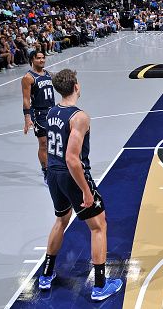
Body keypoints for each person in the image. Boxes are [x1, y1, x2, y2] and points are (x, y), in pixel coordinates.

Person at [39, 69, 122, 300]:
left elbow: (50, 146)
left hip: (54, 174)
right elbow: (72, 159)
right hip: (71, 175)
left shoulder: (52, 111)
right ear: (76, 86)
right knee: (98, 226)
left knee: (61, 219)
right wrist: (86, 190)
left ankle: (46, 274)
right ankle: (100, 285)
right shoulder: (79, 117)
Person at [22, 51, 56, 184]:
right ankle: (46, 172)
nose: (42, 60)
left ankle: (56, 167)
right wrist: (27, 117)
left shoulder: (47, 74)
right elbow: (26, 99)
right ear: (32, 60)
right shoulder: (28, 77)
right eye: (38, 58)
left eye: (43, 58)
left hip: (52, 112)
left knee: (54, 142)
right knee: (43, 144)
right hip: (39, 114)